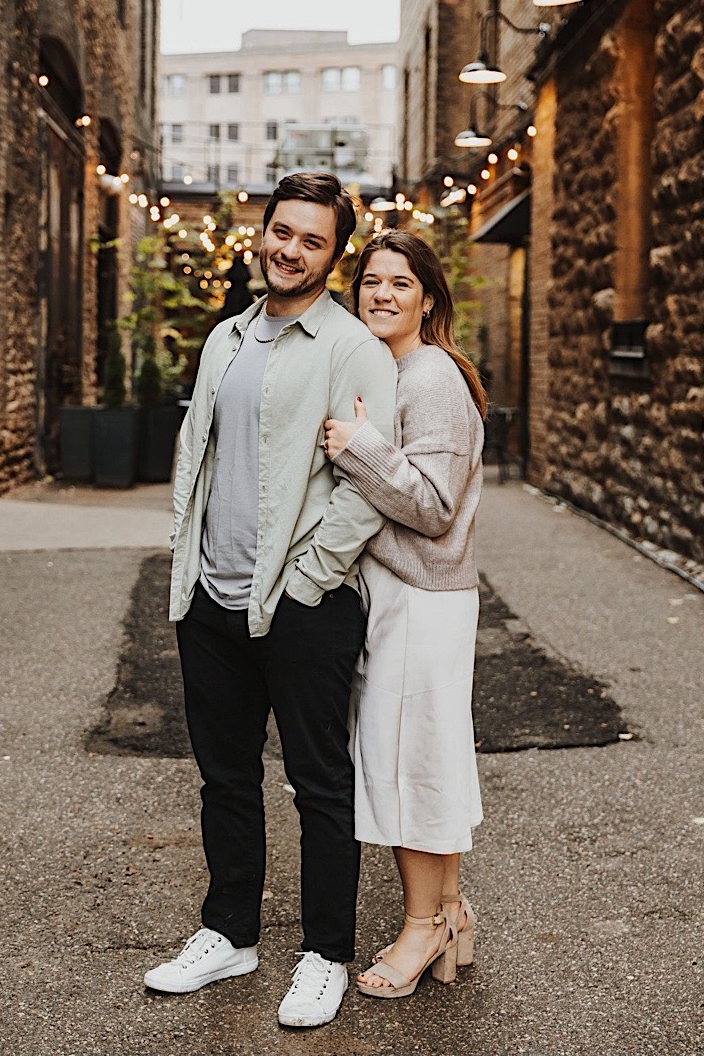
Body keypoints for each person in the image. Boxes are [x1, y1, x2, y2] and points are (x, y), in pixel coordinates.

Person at [144, 172, 398, 1029]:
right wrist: (187, 568)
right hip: (212, 596)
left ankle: (325, 952)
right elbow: (201, 456)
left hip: (303, 601)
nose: (289, 249)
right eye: (281, 231)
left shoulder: (352, 348)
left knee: (319, 783)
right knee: (224, 776)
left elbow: (367, 480)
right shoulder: (226, 338)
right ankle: (230, 932)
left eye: (311, 239)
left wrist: (308, 578)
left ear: (335, 254)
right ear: (264, 231)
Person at [321, 230, 487, 999]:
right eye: (371, 282)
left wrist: (357, 447)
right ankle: (447, 913)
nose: (382, 294)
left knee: (408, 766)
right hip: (401, 599)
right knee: (418, 760)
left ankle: (421, 927)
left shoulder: (431, 377)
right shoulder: (397, 371)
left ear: (428, 297)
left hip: (424, 601)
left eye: (400, 282)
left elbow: (431, 503)